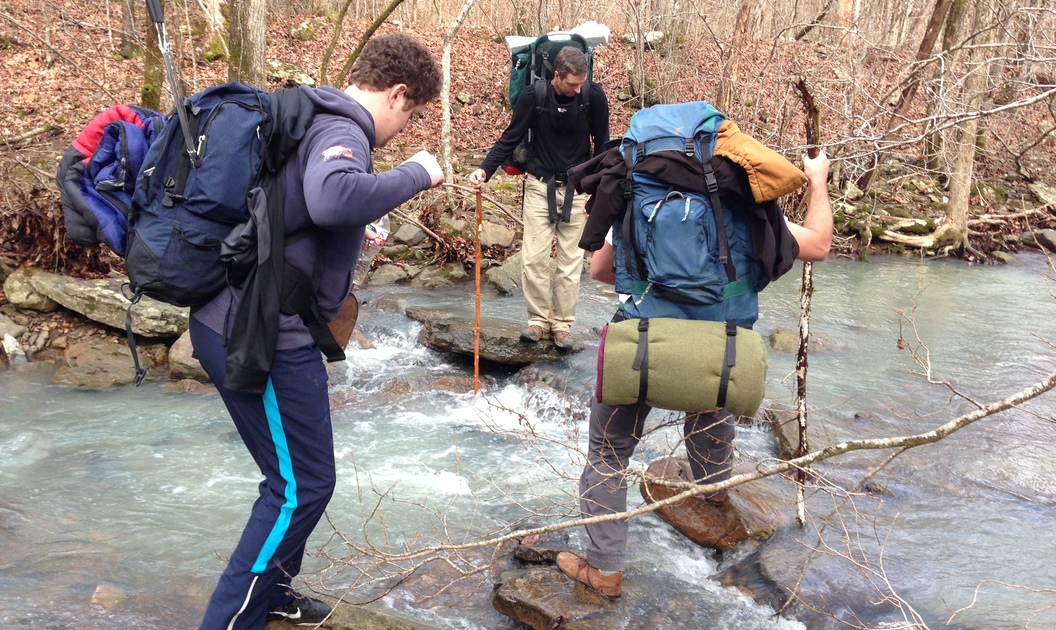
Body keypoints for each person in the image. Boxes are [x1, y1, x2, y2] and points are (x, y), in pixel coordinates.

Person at [188, 33, 444, 629]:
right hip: (261, 336)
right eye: (413, 115)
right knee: (300, 486)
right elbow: (331, 199)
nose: (406, 129)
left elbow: (306, 211)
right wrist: (416, 173)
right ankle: (230, 621)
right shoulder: (342, 127)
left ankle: (272, 590)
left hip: (232, 320)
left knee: (298, 479)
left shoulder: (311, 113)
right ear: (398, 93)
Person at [557, 148, 834, 600]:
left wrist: (657, 285)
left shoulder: (635, 198)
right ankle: (712, 492)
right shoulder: (746, 206)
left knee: (607, 455)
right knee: (714, 384)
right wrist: (816, 179)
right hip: (719, 355)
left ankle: (605, 570)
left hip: (642, 347)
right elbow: (819, 246)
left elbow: (601, 269)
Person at [468, 45, 610, 350]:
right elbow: (512, 136)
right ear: (556, 75)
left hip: (578, 189)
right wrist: (485, 170)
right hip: (539, 184)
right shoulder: (534, 96)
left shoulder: (593, 97)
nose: (576, 89)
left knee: (570, 264)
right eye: (571, 83)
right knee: (533, 259)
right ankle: (537, 322)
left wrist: (601, 190)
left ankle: (562, 326)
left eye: (581, 83)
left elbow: (603, 147)